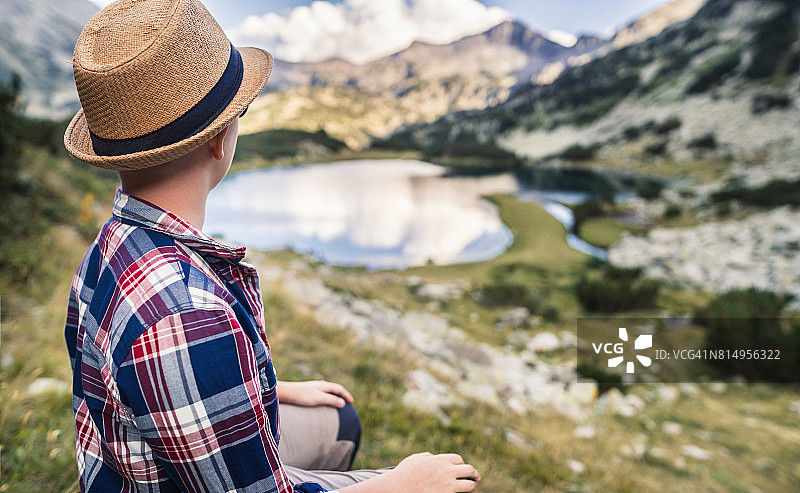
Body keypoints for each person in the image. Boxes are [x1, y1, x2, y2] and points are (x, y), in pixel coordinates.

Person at [62, 1, 481, 492]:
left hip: (135, 470)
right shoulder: (189, 320)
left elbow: (136, 386)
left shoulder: (114, 244)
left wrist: (266, 389)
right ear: (219, 139)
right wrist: (404, 483)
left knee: (338, 417)